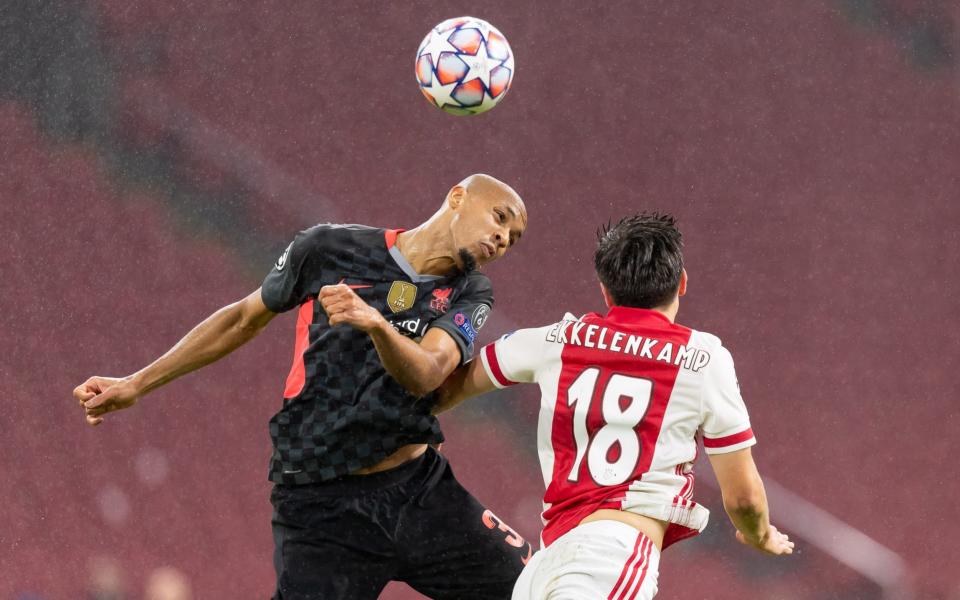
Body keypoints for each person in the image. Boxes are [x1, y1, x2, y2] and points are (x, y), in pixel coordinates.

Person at [73, 174, 531, 600]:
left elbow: (427, 372)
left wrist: (374, 323)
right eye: (499, 218)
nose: (501, 239)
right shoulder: (328, 249)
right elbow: (241, 318)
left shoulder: (471, 293)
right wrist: (137, 383)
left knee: (540, 587)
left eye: (513, 239)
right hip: (321, 505)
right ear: (457, 197)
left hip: (418, 491)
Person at [435, 213, 793, 599]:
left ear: (605, 291)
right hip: (611, 558)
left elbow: (444, 387)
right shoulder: (703, 359)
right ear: (682, 282)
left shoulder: (557, 339)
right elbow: (743, 497)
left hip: (548, 562)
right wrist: (760, 536)